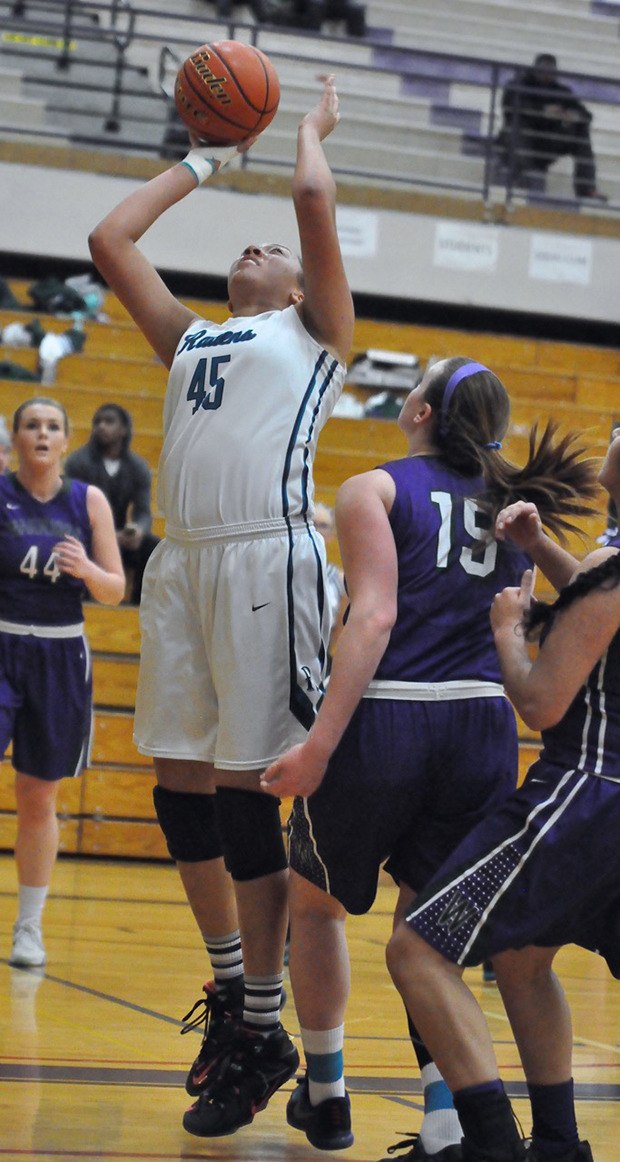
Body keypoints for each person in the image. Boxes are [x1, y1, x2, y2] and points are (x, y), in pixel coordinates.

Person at [88, 76, 354, 1138]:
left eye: (268, 250)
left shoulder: (315, 333)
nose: (252, 247)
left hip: (266, 565)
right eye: (240, 243)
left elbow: (311, 205)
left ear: (296, 288)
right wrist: (202, 158)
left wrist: (301, 131)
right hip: (184, 566)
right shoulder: (193, 338)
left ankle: (263, 1014)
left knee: (248, 793)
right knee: (177, 785)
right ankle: (236, 1000)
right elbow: (112, 240)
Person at [261, 360, 598, 1158]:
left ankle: (329, 1091)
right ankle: (447, 1121)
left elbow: (371, 621)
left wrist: (318, 746)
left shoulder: (373, 488)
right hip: (481, 732)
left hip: (390, 720)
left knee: (315, 909)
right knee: (430, 936)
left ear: (416, 409)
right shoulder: (521, 507)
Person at [385, 430, 620, 1162]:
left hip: (584, 790)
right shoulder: (606, 566)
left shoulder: (613, 566)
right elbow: (598, 620)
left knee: (417, 950)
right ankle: (556, 1145)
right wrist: (546, 550)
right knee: (520, 954)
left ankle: (490, 1145)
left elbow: (542, 701)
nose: (612, 432)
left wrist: (507, 636)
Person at [1, 397, 124, 968]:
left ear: (66, 439)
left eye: (53, 426)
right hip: (3, 642)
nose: (42, 434)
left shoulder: (88, 500)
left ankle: (29, 928)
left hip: (59, 653)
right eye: (32, 425)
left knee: (38, 795)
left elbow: (115, 590)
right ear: (17, 437)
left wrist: (90, 571)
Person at [64, 404, 159, 605]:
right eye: (98, 422)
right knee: (73, 544)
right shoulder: (78, 462)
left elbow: (143, 512)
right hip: (86, 536)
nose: (101, 426)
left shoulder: (138, 467)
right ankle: (83, 600)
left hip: (122, 539)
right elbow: (71, 511)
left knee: (153, 546)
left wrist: (138, 530)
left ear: (124, 429)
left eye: (109, 421)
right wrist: (104, 535)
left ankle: (137, 605)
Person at [498, 53, 606, 201]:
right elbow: (511, 107)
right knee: (517, 127)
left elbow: (586, 115)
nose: (547, 74)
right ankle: (520, 179)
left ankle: (587, 189)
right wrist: (545, 111)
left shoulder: (561, 91)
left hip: (547, 143)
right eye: (543, 70)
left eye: (551, 71)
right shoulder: (518, 85)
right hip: (520, 141)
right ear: (535, 69)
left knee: (581, 132)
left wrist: (571, 116)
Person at [314, 501, 347, 660]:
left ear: (331, 536)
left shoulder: (339, 579)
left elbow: (342, 625)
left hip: (322, 656)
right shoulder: (285, 571)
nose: (317, 529)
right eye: (312, 523)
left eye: (323, 525)